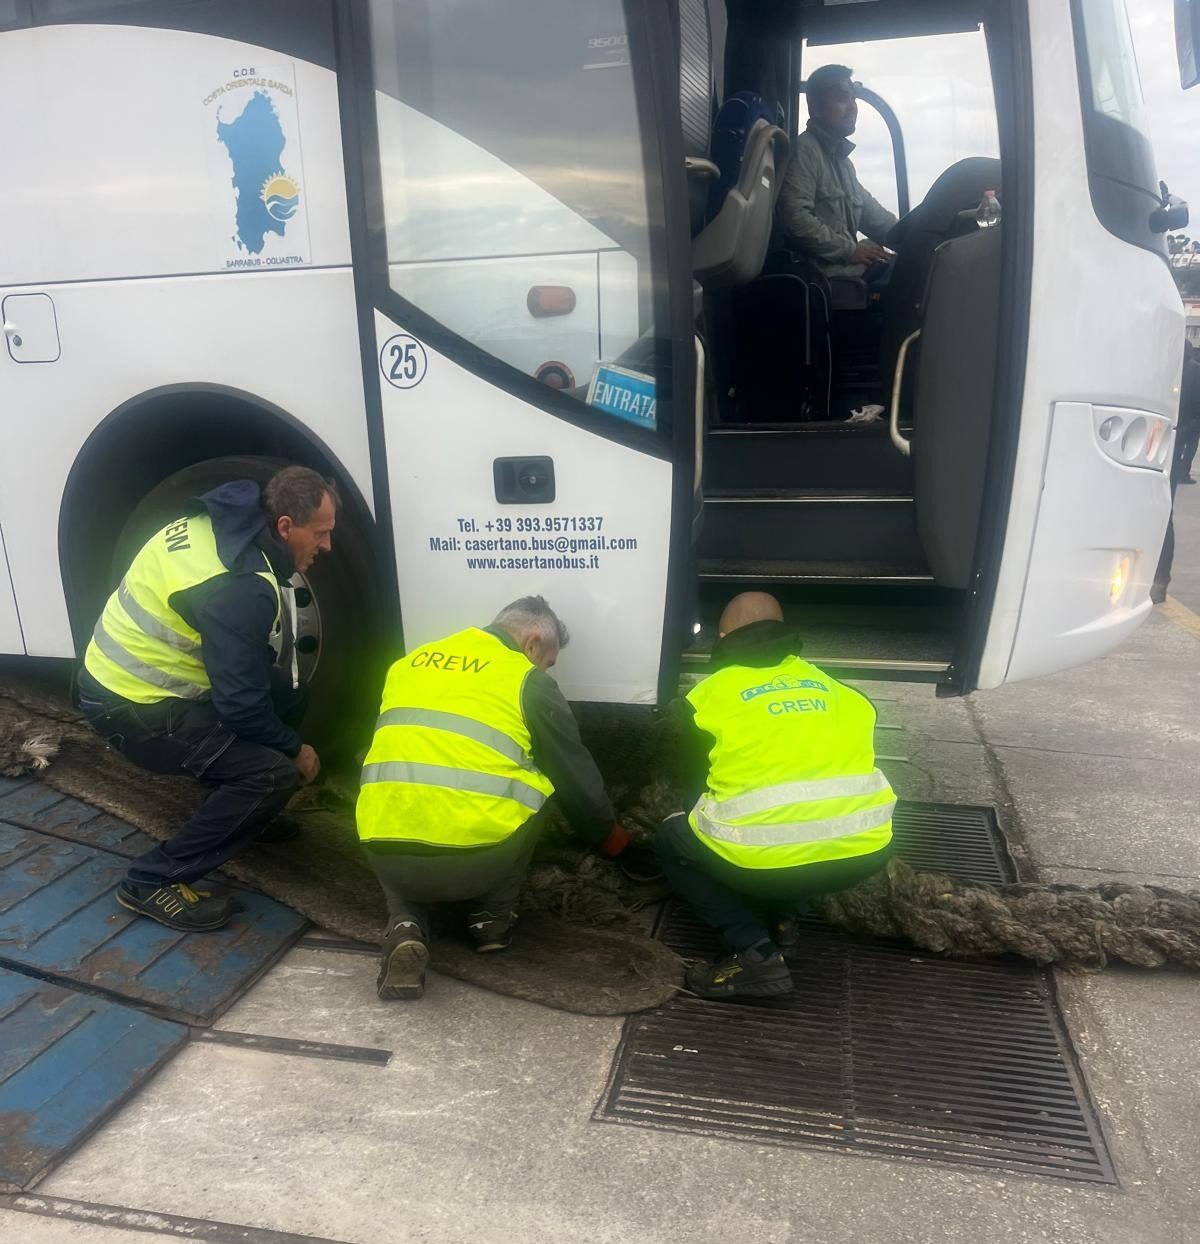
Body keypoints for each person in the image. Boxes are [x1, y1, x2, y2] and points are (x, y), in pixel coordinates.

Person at [77, 466, 337, 932]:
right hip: (130, 706)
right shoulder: (241, 587)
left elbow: (247, 682)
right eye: (320, 533)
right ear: (284, 526)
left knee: (290, 695)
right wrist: (295, 751)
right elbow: (241, 706)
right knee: (270, 775)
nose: (327, 546)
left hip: (132, 679)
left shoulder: (226, 515)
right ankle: (151, 881)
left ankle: (243, 815)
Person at [355, 596, 631, 1001]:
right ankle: (491, 921)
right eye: (547, 661)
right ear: (533, 642)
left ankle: (405, 923)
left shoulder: (409, 662)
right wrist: (609, 835)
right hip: (475, 864)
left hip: (383, 855)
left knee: (398, 792)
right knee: (535, 783)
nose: (544, 669)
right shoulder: (527, 680)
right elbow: (574, 776)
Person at [654, 592, 894, 999]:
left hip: (763, 864)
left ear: (723, 636)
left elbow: (697, 796)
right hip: (864, 853)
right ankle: (785, 921)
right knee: (803, 827)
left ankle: (754, 953)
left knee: (673, 837)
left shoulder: (707, 700)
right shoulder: (841, 691)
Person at [773, 63, 898, 281]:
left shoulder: (843, 164)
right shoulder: (805, 151)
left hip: (841, 270)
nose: (852, 107)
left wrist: (916, 233)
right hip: (820, 275)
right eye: (842, 98)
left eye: (853, 98)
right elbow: (795, 217)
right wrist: (850, 251)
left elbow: (875, 217)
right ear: (815, 108)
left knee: (910, 266)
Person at [1152, 340, 1200, 601]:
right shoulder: (1159, 373)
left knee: (1163, 515)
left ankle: (1159, 582)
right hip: (1157, 448)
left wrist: (1176, 437)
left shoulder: (1192, 372)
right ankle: (1157, 580)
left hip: (1170, 450)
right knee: (1160, 516)